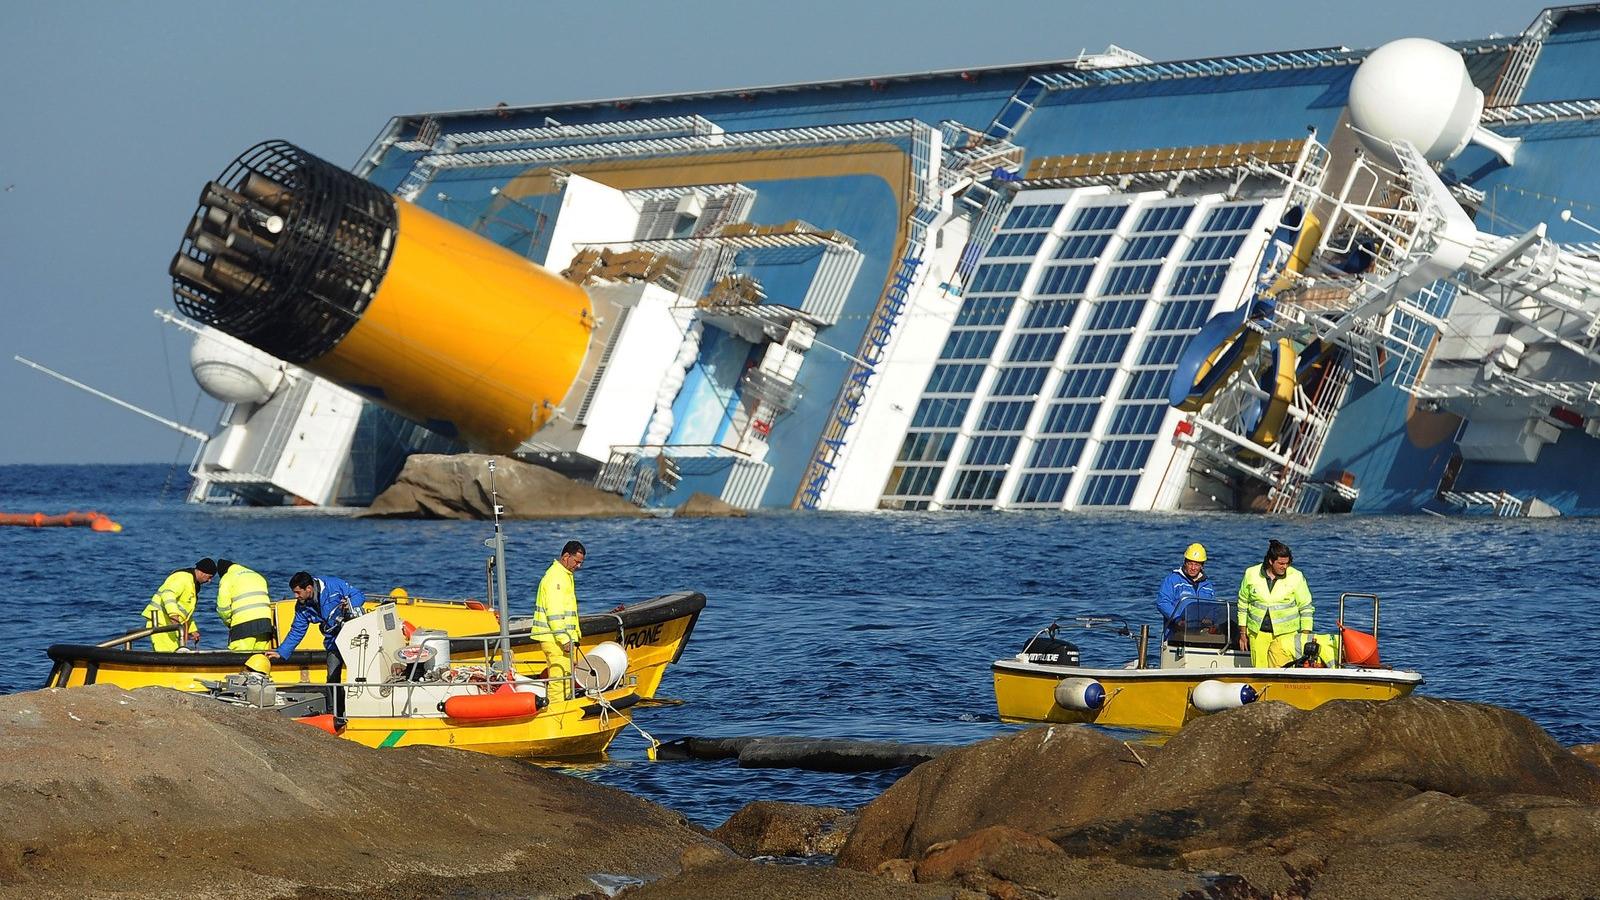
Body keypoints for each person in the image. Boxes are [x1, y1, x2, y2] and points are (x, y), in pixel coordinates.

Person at [267, 572, 367, 686]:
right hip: (333, 641)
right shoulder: (302, 607)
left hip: (353, 637)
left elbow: (359, 595)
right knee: (332, 677)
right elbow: (297, 630)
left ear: (308, 589)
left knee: (360, 672)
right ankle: (334, 704)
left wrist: (350, 605)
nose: (295, 596)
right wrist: (281, 651)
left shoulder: (333, 585)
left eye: (298, 592)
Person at [1236, 540, 1313, 668]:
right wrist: (1243, 634)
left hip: (1286, 635)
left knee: (1283, 672)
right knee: (1259, 673)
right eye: (1281, 563)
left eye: (1287, 563)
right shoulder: (1251, 574)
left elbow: (1306, 607)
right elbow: (1243, 604)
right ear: (1271, 561)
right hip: (1258, 634)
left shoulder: (1296, 576)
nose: (1285, 567)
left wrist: (1305, 636)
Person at [533, 541, 585, 700]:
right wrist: (564, 639)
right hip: (555, 639)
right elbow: (554, 613)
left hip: (560, 639)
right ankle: (556, 716)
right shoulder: (556, 578)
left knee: (566, 679)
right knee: (559, 681)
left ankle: (564, 712)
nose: (579, 566)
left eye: (581, 563)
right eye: (576, 562)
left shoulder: (563, 576)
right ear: (566, 557)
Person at [143, 558, 215, 651]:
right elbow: (168, 593)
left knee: (175, 652)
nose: (209, 581)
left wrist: (192, 630)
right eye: (209, 577)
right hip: (161, 623)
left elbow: (185, 611)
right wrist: (173, 614)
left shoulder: (193, 584)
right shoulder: (183, 578)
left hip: (171, 625)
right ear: (202, 572)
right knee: (168, 655)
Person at [1156, 542, 1217, 641]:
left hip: (1201, 637)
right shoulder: (1172, 580)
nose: (1193, 568)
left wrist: (1210, 619)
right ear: (1185, 563)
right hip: (1175, 635)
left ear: (1202, 566)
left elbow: (1213, 607)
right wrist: (1178, 620)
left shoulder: (1207, 586)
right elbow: (1162, 603)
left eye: (1196, 564)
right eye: (1190, 563)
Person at [214, 559, 275, 652]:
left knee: (239, 655)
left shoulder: (227, 577)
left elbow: (223, 607)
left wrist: (228, 622)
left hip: (243, 624)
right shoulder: (258, 576)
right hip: (265, 622)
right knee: (259, 657)